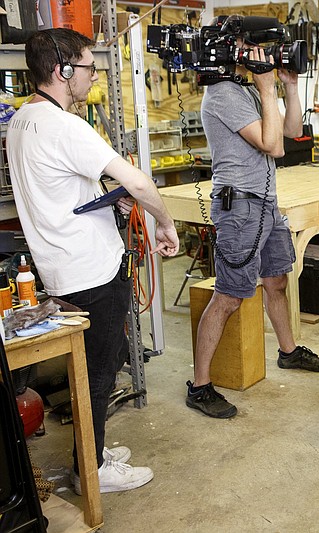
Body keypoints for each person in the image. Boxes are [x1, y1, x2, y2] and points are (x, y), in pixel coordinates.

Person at [7, 28, 180, 494]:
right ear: (64, 71)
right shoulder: (67, 126)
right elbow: (141, 183)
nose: (92, 76)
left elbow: (57, 193)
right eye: (87, 67)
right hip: (92, 269)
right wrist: (164, 221)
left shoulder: (23, 120)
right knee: (102, 368)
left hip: (61, 265)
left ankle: (93, 449)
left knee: (95, 364)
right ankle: (92, 472)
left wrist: (105, 199)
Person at [188, 33, 319, 419]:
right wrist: (266, 86)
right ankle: (199, 385)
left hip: (265, 202)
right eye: (253, 49)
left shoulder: (246, 88)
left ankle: (288, 352)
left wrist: (289, 86)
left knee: (277, 282)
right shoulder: (224, 95)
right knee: (230, 297)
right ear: (231, 51)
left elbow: (292, 131)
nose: (262, 55)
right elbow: (275, 147)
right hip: (240, 209)